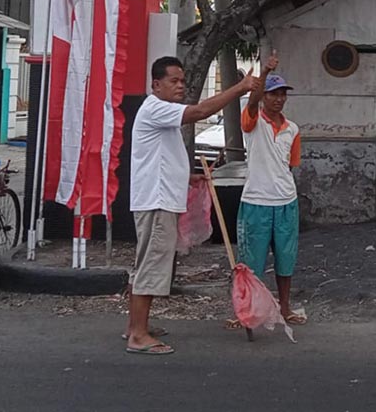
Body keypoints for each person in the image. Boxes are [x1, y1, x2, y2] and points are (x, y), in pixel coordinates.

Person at [125, 56, 261, 355]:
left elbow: (159, 158)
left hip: (158, 197)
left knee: (147, 262)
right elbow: (200, 111)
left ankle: (136, 325)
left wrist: (188, 177)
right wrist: (240, 88)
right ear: (156, 84)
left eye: (182, 81)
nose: (180, 86)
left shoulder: (159, 112)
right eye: (174, 81)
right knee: (152, 264)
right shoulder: (156, 108)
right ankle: (137, 334)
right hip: (156, 201)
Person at [228, 49, 306, 327]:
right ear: (265, 97)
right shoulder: (253, 121)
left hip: (285, 201)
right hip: (256, 201)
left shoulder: (292, 129)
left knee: (286, 260)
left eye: (283, 94)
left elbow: (291, 165)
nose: (279, 99)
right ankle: (246, 311)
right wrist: (263, 73)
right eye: (273, 94)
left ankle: (285, 307)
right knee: (251, 262)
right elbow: (251, 104)